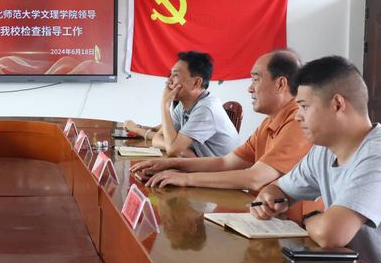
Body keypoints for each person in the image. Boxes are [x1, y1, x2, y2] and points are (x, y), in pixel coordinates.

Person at [251, 56, 381, 263]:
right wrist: (268, 198)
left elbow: (331, 235)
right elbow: (278, 189)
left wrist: (310, 219)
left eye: (304, 106)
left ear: (338, 104)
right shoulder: (324, 150)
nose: (298, 117)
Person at [131, 50, 310, 191]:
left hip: (287, 221)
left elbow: (255, 178)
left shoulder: (297, 121)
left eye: (256, 79)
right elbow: (226, 162)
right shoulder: (269, 122)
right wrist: (169, 164)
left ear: (280, 84)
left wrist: (184, 178)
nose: (250, 88)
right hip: (259, 209)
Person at [124, 50, 239, 157]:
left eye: (175, 75)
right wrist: (183, 150)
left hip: (220, 171)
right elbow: (160, 137)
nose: (168, 81)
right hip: (198, 166)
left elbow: (172, 149)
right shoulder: (184, 105)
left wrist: (164, 106)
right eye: (170, 75)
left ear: (196, 83)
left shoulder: (206, 109)